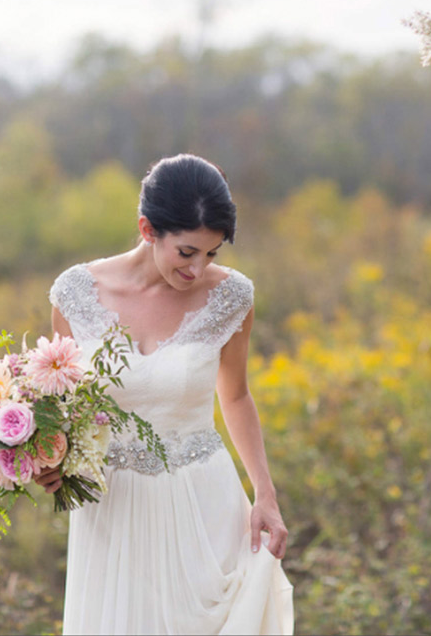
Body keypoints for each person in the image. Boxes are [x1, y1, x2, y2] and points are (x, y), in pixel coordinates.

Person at [36, 153, 294, 635]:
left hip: (205, 505)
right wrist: (50, 461)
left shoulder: (232, 298)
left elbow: (235, 397)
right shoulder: (75, 295)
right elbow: (62, 408)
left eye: (211, 253)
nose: (198, 268)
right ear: (148, 228)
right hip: (114, 512)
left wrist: (265, 494)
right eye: (187, 252)